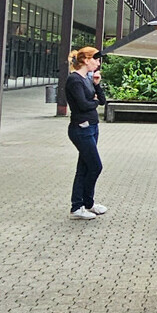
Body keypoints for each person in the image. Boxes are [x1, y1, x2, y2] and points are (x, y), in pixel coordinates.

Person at [64, 47, 108, 220]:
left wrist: (97, 86)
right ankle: (78, 206)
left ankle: (86, 204)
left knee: (84, 166)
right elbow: (82, 105)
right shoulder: (74, 80)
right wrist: (93, 102)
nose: (98, 63)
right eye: (96, 60)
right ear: (86, 60)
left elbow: (102, 101)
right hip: (81, 128)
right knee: (95, 166)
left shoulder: (87, 79)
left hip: (91, 127)